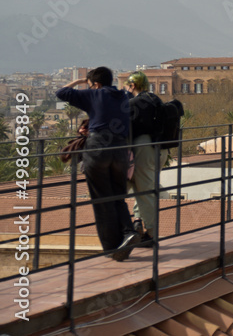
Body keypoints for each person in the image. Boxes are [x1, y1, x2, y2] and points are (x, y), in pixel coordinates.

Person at [56, 67, 139, 261]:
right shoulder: (123, 96)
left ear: (96, 84)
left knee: (102, 200)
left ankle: (112, 249)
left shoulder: (95, 94)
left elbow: (60, 92)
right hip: (120, 151)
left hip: (98, 149)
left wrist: (79, 83)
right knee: (118, 196)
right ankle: (128, 231)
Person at [123, 71, 161, 248]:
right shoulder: (155, 100)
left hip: (141, 148)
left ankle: (151, 234)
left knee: (144, 190)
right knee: (142, 188)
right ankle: (138, 222)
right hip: (157, 148)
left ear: (132, 86)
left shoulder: (132, 103)